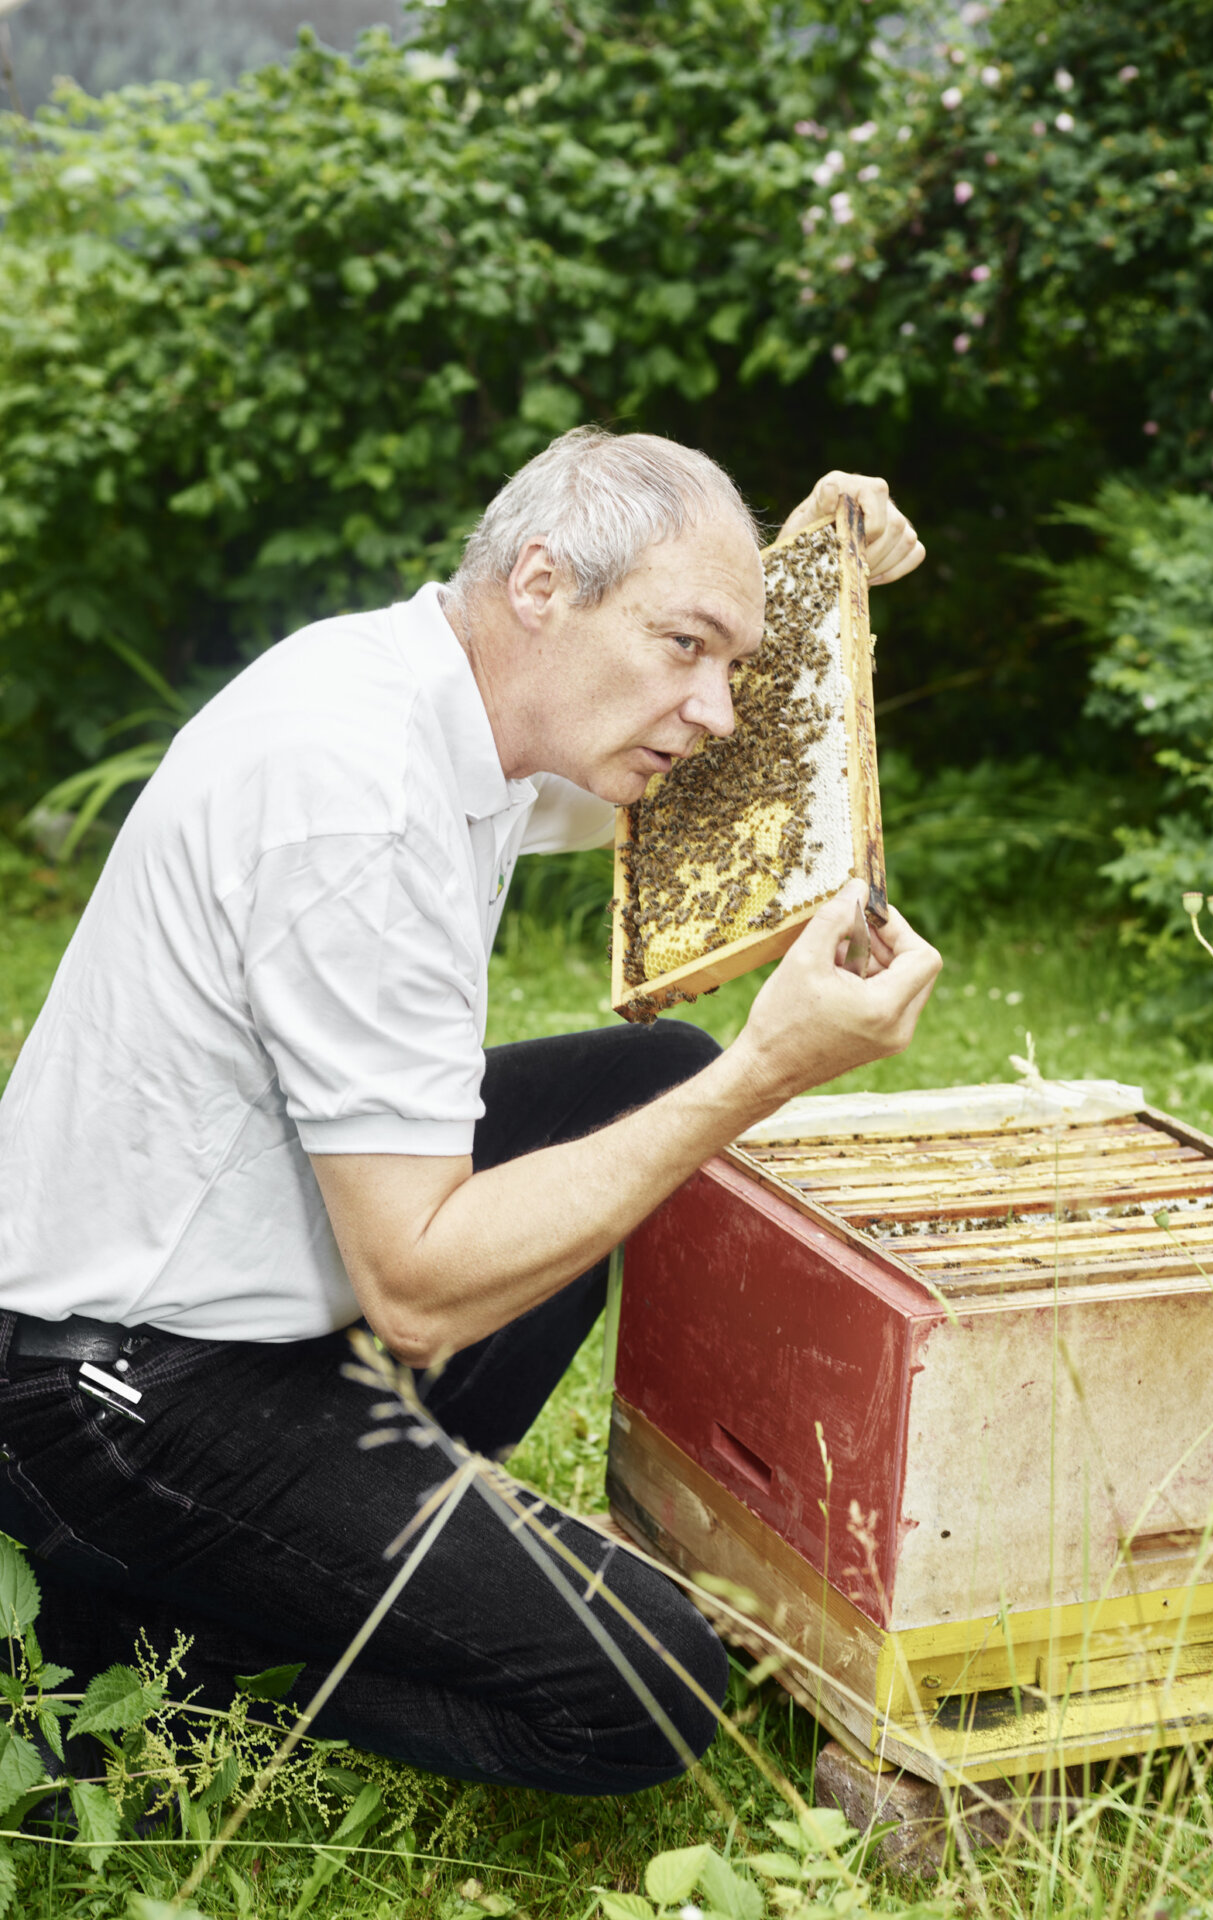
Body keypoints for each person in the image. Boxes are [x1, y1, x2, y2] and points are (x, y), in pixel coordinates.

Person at [0, 428, 939, 1796]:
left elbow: (711, 788)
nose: (716, 707)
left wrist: (790, 592)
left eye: (723, 662)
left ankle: (335, 1537)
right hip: (121, 1383)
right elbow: (422, 1292)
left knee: (637, 1074)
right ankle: (146, 1650)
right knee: (644, 1688)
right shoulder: (353, 798)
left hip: (255, 1271)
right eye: (683, 648)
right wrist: (765, 1067)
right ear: (544, 584)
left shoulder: (445, 688)